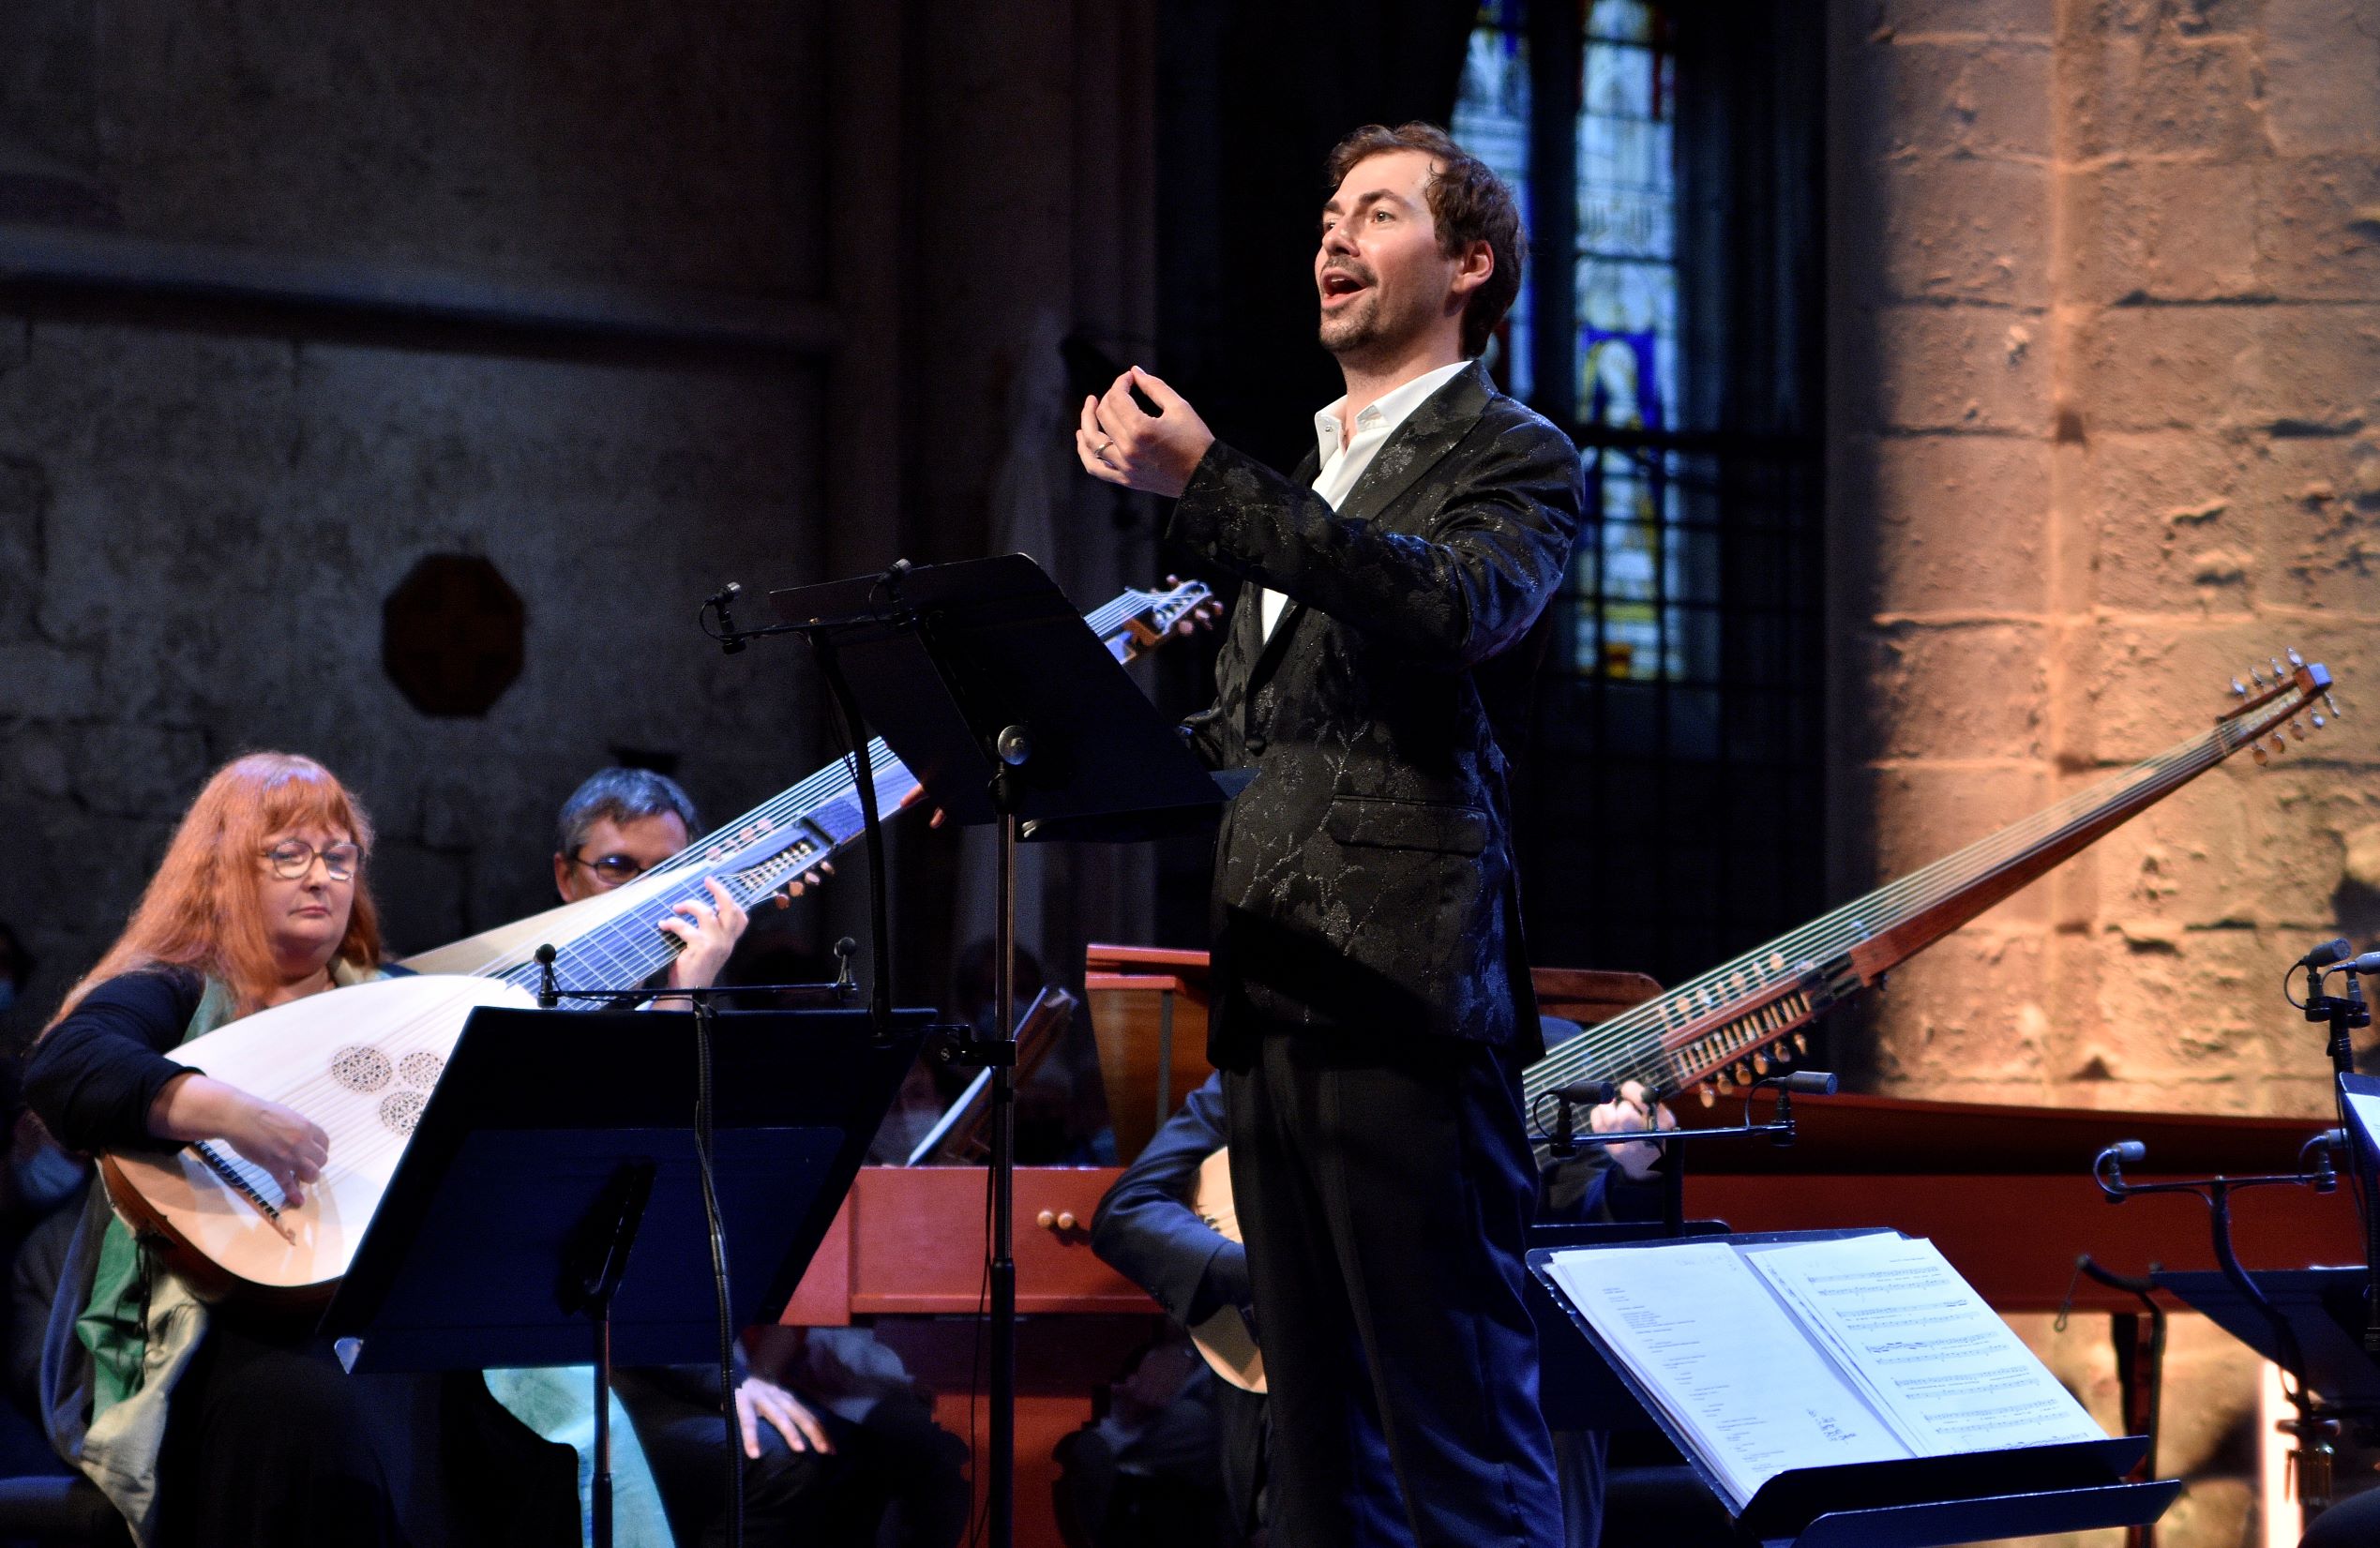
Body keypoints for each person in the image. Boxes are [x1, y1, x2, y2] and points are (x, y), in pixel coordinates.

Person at [1076, 121, 1584, 1547]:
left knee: (1456, 1443)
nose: (1331, 238)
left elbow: (1448, 606)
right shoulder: (1310, 471)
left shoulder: (1512, 454)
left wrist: (1216, 488)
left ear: (1469, 263)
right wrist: (1047, 750)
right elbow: (1257, 745)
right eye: (1325, 215)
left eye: (1375, 212)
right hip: (1270, 989)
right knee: (1315, 1465)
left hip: (1405, 999)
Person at [23, 752, 580, 1547]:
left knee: (521, 1451)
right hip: (222, 1336)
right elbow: (66, 1064)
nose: (320, 875)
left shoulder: (387, 1001)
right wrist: (228, 1109)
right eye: (288, 853)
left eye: (339, 854)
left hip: (387, 1320)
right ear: (223, 870)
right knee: (313, 1415)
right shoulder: (177, 989)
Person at [550, 767, 969, 1548]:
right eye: (618, 869)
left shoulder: (713, 1015)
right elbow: (627, 1191)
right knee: (787, 1471)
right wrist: (728, 1386)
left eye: (668, 873)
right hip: (580, 1371)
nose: (646, 895)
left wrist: (744, 1376)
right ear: (565, 879)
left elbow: (724, 1228)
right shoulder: (542, 1004)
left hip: (684, 1363)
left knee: (889, 1457)